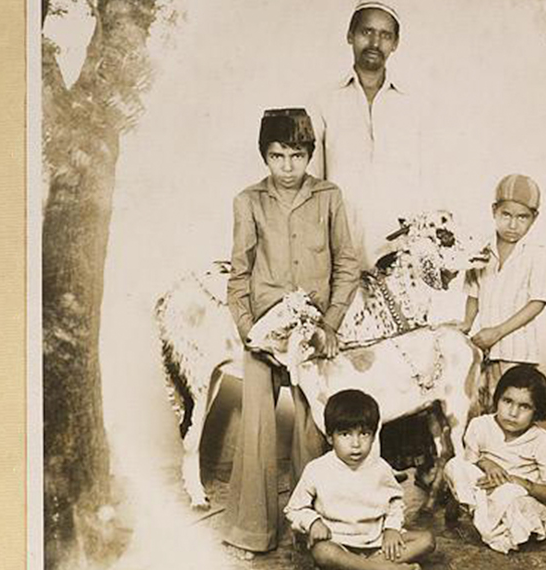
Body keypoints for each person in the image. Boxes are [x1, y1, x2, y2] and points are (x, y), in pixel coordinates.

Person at [224, 108, 361, 558]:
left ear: (310, 155)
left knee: (312, 429)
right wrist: (250, 331)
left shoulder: (328, 196)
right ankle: (253, 532)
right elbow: (239, 274)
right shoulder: (248, 201)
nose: (287, 166)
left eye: (297, 155)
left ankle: (315, 532)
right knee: (258, 429)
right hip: (265, 332)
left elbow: (347, 263)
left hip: (314, 332)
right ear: (265, 155)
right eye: (278, 155)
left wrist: (331, 323)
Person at [311, 0, 424, 270]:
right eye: (367, 31)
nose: (375, 42)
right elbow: (313, 184)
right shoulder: (323, 101)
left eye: (385, 35)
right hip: (341, 247)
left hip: (400, 250)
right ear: (350, 35)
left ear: (395, 43)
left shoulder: (413, 105)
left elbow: (423, 179)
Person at [442, 365, 546, 553]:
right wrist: (487, 463)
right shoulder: (479, 425)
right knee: (455, 465)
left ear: (537, 411)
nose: (513, 413)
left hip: (518, 497)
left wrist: (520, 482)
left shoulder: (543, 442)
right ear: (497, 399)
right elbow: (469, 462)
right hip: (483, 490)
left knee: (513, 501)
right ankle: (483, 515)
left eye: (524, 406)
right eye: (507, 401)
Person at [285, 389, 436, 570]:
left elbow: (395, 501)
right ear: (330, 437)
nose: (355, 444)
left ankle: (368, 566)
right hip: (338, 541)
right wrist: (313, 522)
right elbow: (293, 508)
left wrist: (391, 529)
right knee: (322, 552)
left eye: (364, 434)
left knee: (426, 540)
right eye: (345, 434)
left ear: (374, 436)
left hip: (377, 540)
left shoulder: (380, 467)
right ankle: (382, 568)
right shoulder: (317, 470)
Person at [460, 173, 546, 409]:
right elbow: (474, 291)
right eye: (506, 215)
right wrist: (467, 323)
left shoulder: (536, 253)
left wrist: (498, 332)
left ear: (534, 218)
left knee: (514, 410)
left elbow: (537, 302)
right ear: (494, 211)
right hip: (486, 349)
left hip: (518, 352)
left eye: (522, 217)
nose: (513, 224)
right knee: (486, 406)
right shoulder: (482, 250)